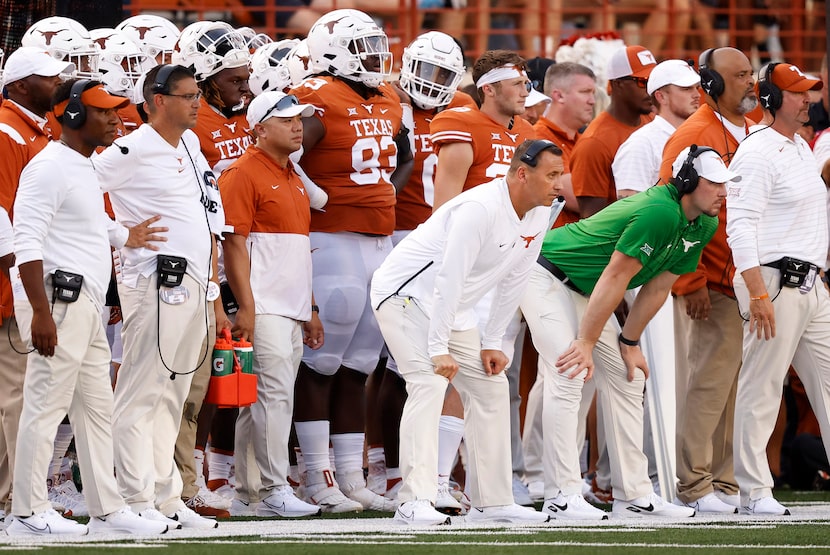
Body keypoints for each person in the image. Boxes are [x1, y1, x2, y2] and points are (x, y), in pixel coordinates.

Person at [521, 145, 741, 520]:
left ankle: (634, 494)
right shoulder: (659, 211)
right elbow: (616, 277)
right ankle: (562, 493)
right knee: (570, 371)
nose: (724, 192)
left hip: (587, 290)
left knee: (628, 378)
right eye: (714, 183)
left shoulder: (703, 222)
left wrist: (629, 342)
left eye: (726, 184)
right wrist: (586, 343)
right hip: (545, 274)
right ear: (687, 181)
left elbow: (658, 286)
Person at [372, 139, 564, 526]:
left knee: (491, 387)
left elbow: (515, 278)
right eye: (553, 175)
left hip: (451, 308)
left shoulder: (539, 213)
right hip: (404, 296)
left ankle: (492, 502)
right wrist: (438, 347)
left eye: (561, 175)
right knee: (428, 383)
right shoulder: (478, 209)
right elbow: (449, 277)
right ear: (522, 173)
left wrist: (493, 341)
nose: (559, 185)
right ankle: (414, 499)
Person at [6, 79, 168, 536]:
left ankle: (107, 509)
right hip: (57, 301)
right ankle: (26, 511)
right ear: (72, 115)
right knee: (44, 405)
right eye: (104, 111)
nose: (116, 118)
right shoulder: (48, 168)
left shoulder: (81, 165)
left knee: (96, 410)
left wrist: (125, 235)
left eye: (117, 109)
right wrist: (39, 311)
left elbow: (88, 221)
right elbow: (26, 242)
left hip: (83, 302)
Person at [93, 64, 229, 530]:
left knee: (173, 394)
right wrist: (119, 233)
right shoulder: (130, 148)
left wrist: (212, 286)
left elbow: (205, 215)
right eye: (188, 95)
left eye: (197, 94)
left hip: (193, 282)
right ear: (156, 100)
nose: (197, 102)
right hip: (154, 282)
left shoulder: (190, 143)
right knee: (142, 390)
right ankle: (133, 497)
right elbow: (75, 190)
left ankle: (165, 495)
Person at [289, 8, 409, 514]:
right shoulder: (314, 97)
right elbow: (284, 157)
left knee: (359, 364)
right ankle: (316, 475)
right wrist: (316, 196)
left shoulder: (386, 98)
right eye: (363, 48)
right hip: (332, 239)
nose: (375, 59)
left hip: (378, 240)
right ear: (334, 51)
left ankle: (350, 475)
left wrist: (382, 194)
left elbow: (403, 157)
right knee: (320, 362)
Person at [725, 62, 828, 516]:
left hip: (811, 284)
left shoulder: (801, 147)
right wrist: (757, 292)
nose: (807, 100)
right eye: (797, 93)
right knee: (761, 387)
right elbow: (739, 226)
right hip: (773, 281)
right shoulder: (756, 151)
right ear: (770, 98)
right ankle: (753, 490)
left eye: (808, 92)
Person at [658, 46, 757, 514]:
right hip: (711, 279)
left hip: (741, 278)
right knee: (708, 384)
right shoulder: (695, 134)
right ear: (712, 84)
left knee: (734, 384)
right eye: (739, 75)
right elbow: (671, 207)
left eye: (751, 73)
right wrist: (689, 278)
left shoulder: (751, 131)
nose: (750, 82)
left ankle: (723, 480)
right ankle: (695, 483)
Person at [219, 90, 323, 518]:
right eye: (286, 120)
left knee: (263, 399)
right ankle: (272, 486)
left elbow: (298, 250)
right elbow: (233, 244)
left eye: (300, 118)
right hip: (263, 304)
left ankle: (249, 493)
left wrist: (310, 309)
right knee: (273, 397)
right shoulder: (242, 172)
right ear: (259, 128)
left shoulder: (294, 175)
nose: (297, 125)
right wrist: (246, 306)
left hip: (288, 305)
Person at [0, 46, 75, 522]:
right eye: (50, 78)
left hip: (28, 277)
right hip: (14, 283)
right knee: (17, 394)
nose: (59, 85)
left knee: (25, 393)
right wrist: (21, 275)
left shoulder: (32, 127)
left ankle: (17, 492)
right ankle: (14, 497)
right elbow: (3, 212)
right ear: (23, 84)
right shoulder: (8, 130)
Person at [430, 49, 535, 210]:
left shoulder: (527, 131)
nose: (525, 93)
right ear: (489, 89)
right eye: (516, 84)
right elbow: (444, 210)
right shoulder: (465, 127)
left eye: (526, 84)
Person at [569, 45, 656, 218]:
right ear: (618, 84)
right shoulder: (594, 143)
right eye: (642, 82)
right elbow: (593, 223)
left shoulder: (653, 121)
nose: (651, 88)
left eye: (654, 80)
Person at [614, 59, 701, 197]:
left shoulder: (698, 134)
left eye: (697, 87)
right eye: (686, 88)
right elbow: (629, 207)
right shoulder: (641, 143)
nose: (697, 95)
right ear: (661, 97)